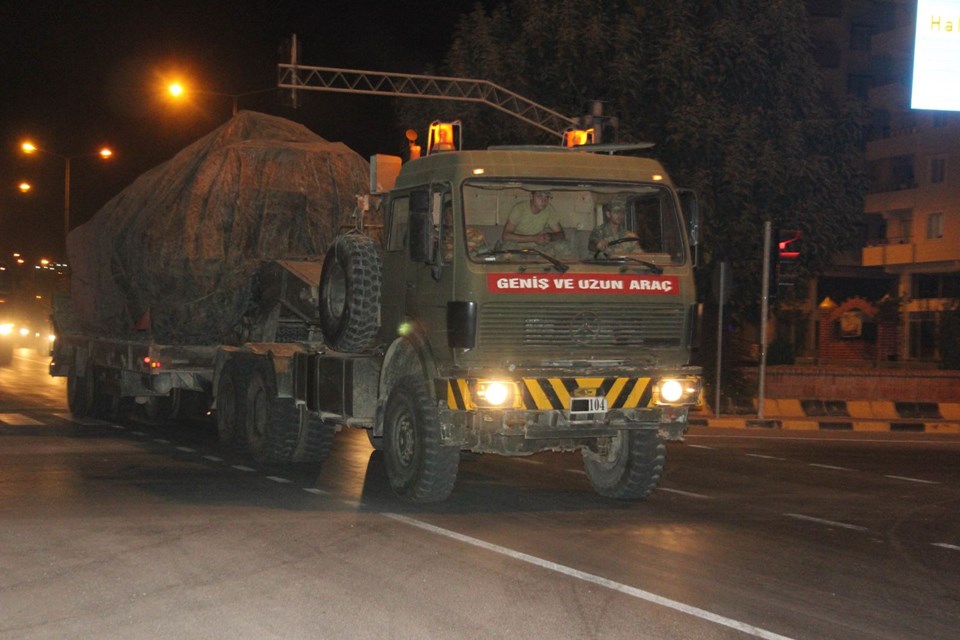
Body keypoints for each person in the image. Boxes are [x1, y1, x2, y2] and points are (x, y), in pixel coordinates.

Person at [499, 191, 572, 256]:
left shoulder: (549, 209)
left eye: (547, 197)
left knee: (564, 245)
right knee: (507, 247)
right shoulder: (520, 208)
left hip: (539, 248)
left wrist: (549, 237)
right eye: (540, 196)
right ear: (531, 196)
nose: (544, 201)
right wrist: (534, 238)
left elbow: (561, 234)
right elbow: (506, 236)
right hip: (518, 246)